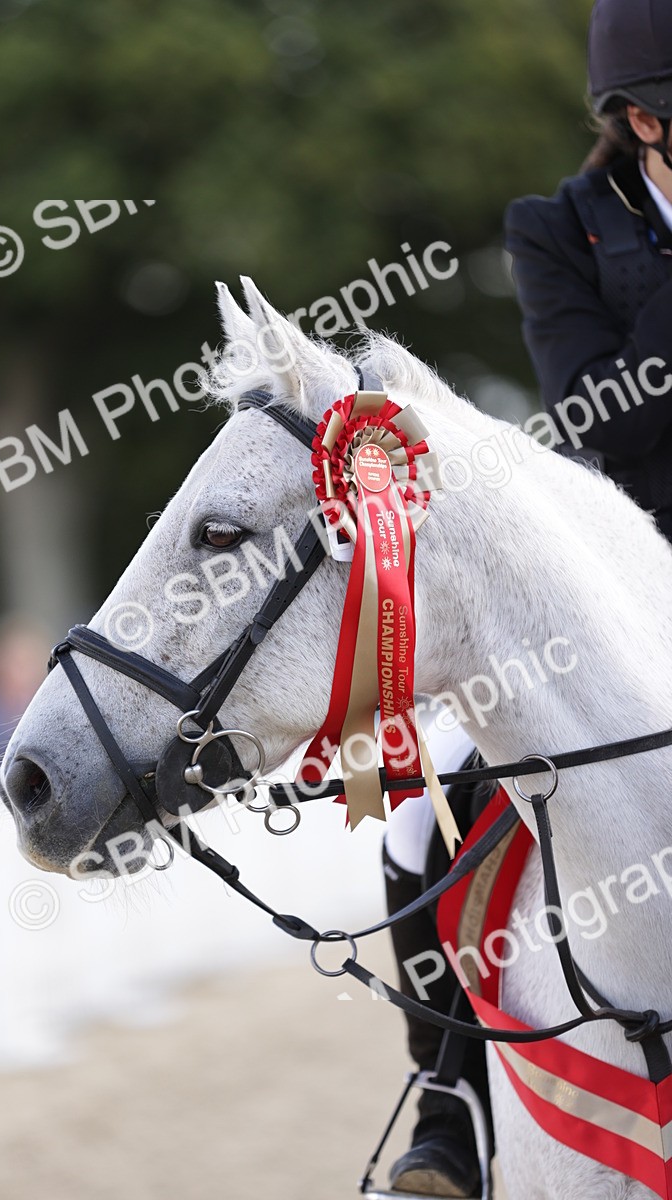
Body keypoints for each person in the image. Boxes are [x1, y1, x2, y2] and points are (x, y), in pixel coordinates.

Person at [383, 0, 672, 1194]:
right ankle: (448, 1100)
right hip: (619, 583)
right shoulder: (555, 230)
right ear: (645, 119)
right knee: (415, 813)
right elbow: (602, 408)